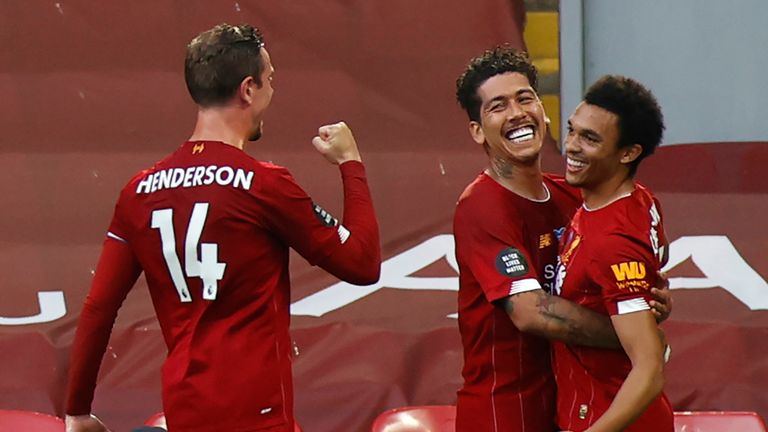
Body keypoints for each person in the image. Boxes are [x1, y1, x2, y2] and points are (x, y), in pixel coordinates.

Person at [64, 23, 381, 432]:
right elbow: (363, 264)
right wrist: (351, 165)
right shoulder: (263, 184)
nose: (273, 91)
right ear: (248, 89)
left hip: (185, 411)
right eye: (270, 80)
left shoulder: (138, 191)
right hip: (259, 417)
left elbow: (97, 308)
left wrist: (76, 410)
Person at [452, 47, 671, 431]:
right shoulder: (481, 207)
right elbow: (530, 311)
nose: (517, 112)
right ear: (477, 131)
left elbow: (623, 271)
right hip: (505, 413)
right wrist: (639, 338)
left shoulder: (576, 197)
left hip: (568, 407)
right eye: (498, 106)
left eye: (525, 98)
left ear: (543, 109)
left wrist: (644, 298)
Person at [552, 75, 672, 431]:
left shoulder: (613, 241)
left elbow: (649, 369)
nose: (571, 146)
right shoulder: (639, 199)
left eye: (589, 139)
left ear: (628, 152)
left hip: (608, 418)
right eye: (572, 131)